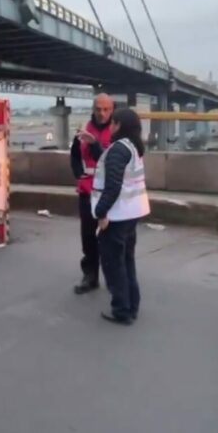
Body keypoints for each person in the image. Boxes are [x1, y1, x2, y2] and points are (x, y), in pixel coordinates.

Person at [92, 108, 150, 326]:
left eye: (112, 123)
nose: (110, 126)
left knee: (113, 264)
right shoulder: (133, 148)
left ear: (118, 125)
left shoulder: (118, 149)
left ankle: (121, 310)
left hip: (117, 215)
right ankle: (132, 305)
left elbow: (113, 185)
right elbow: (115, 171)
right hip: (132, 213)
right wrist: (95, 146)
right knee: (126, 261)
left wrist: (101, 212)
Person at [69, 93, 114, 294]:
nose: (102, 113)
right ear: (93, 108)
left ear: (112, 110)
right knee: (88, 236)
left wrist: (95, 144)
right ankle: (90, 276)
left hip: (109, 192)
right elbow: (75, 155)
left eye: (106, 109)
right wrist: (79, 175)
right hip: (87, 191)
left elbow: (108, 161)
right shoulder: (84, 128)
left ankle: (114, 280)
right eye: (98, 109)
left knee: (111, 237)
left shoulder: (116, 131)